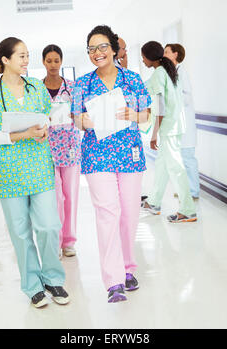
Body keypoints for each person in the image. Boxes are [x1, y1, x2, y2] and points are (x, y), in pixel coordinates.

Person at [0, 37, 69, 308]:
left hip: (38, 166)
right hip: (9, 171)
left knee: (49, 226)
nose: (27, 61)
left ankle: (52, 278)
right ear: (5, 59)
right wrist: (24, 133)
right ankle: (32, 285)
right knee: (20, 232)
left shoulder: (36, 86)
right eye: (21, 56)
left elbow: (47, 116)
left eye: (28, 56)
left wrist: (43, 129)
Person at [71, 25, 151, 303]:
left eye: (103, 47)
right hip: (97, 155)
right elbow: (76, 118)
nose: (97, 53)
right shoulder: (82, 83)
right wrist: (84, 121)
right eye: (92, 49)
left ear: (114, 49)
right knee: (107, 214)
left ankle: (129, 269)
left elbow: (146, 116)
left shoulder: (133, 79)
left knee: (129, 214)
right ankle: (113, 280)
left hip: (129, 154)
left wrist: (134, 114)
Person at [141, 41, 197, 223]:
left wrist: (154, 134)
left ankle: (188, 210)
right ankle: (154, 202)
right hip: (176, 125)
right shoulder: (168, 71)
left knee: (175, 167)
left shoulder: (159, 73)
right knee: (162, 165)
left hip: (169, 127)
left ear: (149, 57)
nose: (142, 60)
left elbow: (160, 107)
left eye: (143, 57)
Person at [42, 44, 81, 258]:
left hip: (71, 146)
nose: (53, 65)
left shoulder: (73, 87)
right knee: (55, 197)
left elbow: (81, 112)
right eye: (49, 61)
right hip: (46, 148)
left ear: (61, 61)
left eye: (56, 60)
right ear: (43, 62)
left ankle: (69, 241)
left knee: (71, 195)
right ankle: (56, 243)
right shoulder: (37, 89)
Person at [164, 43, 200, 200]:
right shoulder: (171, 72)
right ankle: (185, 189)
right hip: (177, 124)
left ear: (175, 54)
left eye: (167, 52)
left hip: (185, 124)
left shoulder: (181, 72)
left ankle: (193, 191)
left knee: (188, 158)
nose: (164, 55)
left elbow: (186, 97)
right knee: (179, 159)